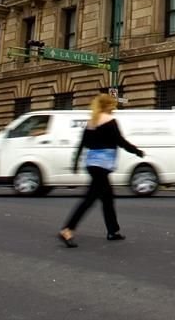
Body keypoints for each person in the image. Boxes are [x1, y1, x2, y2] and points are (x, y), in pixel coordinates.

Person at [59, 94, 144, 248]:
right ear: (108, 105)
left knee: (107, 198)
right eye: (113, 105)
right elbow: (120, 141)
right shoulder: (110, 121)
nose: (114, 108)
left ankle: (113, 231)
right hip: (102, 166)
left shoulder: (92, 122)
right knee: (89, 199)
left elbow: (82, 144)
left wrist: (75, 163)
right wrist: (137, 151)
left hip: (92, 164)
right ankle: (68, 229)